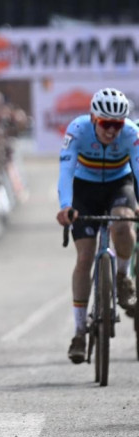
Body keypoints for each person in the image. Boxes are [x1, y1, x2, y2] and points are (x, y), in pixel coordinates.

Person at [55, 88, 139, 364]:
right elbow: (66, 171)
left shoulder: (131, 132)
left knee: (124, 223)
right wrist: (66, 206)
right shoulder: (77, 130)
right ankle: (79, 331)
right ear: (94, 118)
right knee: (85, 257)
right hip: (85, 189)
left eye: (117, 124)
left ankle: (123, 276)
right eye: (106, 124)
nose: (112, 131)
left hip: (118, 184)